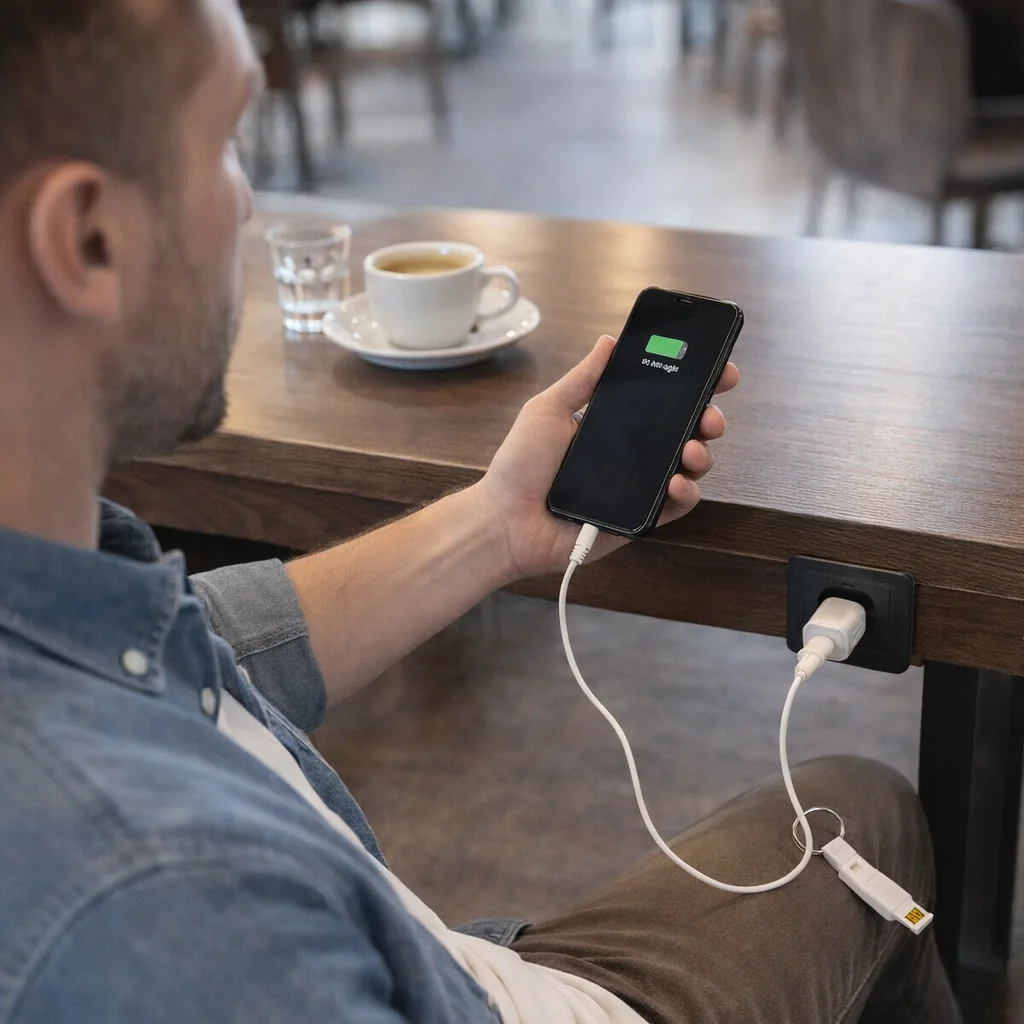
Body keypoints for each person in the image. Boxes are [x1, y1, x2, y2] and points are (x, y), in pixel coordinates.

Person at [0, 2, 962, 1022]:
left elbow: (208, 646)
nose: (246, 204)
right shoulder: (173, 910)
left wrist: (499, 523)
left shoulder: (60, 586)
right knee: (862, 814)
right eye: (228, 139)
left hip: (432, 951)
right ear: (89, 238)